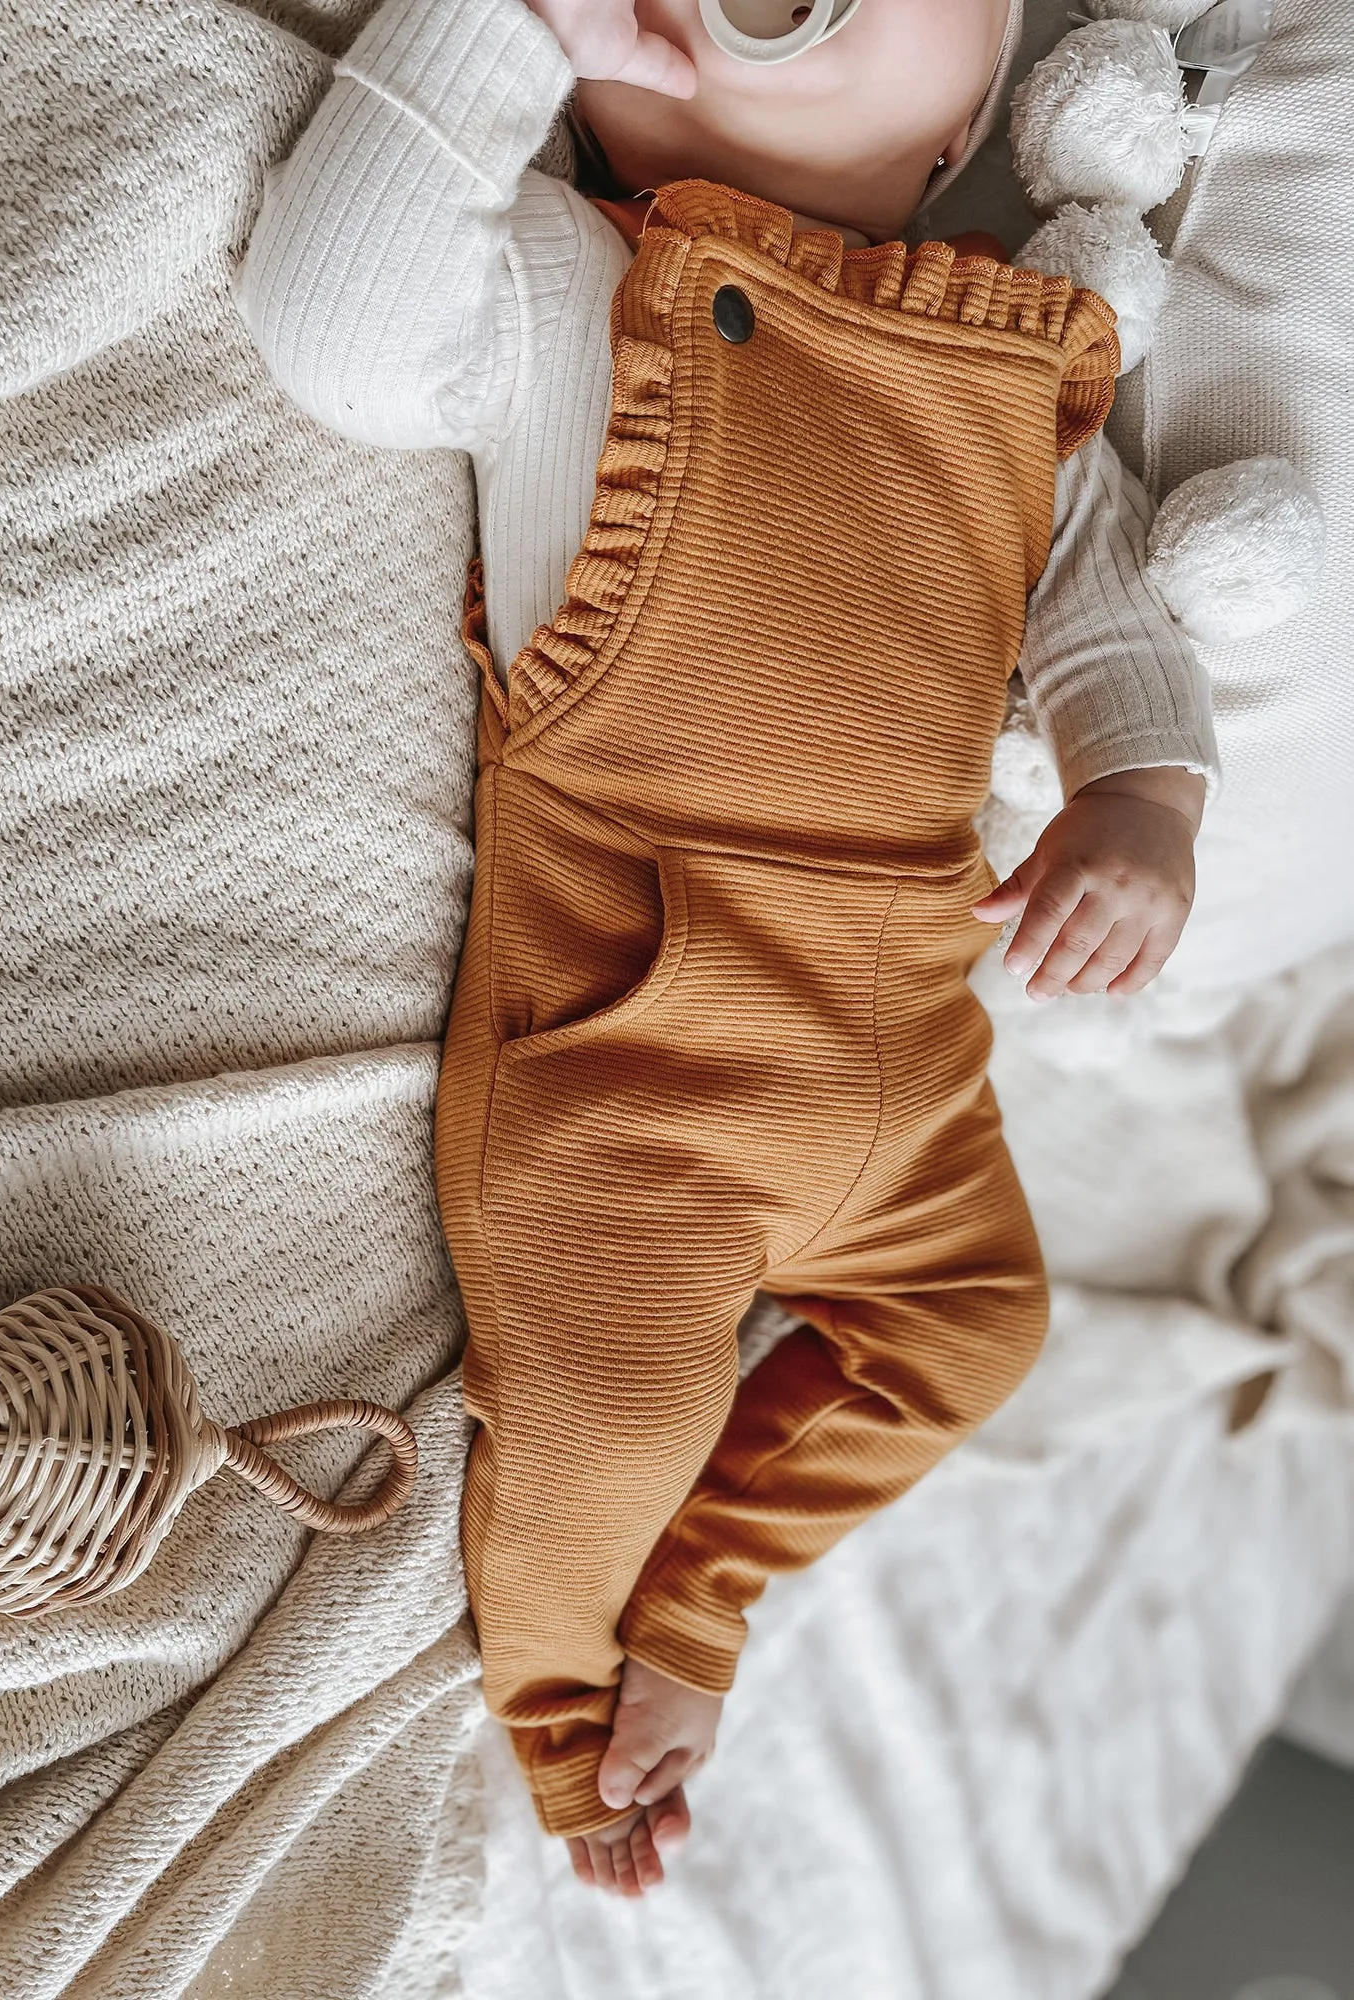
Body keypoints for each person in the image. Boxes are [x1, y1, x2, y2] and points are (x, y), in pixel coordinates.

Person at [236, 0, 1217, 1898]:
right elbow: (335, 328)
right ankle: (566, 1705)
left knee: (982, 1330)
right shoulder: (578, 279)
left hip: (911, 1055)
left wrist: (1143, 799)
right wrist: (498, 29)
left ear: (970, 129)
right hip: (640, 1044)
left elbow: (1102, 611)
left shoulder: (1011, 366)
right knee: (607, 1417)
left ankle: (706, 1592)